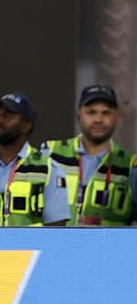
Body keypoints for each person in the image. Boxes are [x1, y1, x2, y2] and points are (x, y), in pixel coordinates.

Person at [0, 93, 69, 226]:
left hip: (30, 247)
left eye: (6, 115)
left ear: (27, 126)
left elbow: (57, 232)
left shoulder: (48, 169)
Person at [45, 85, 136, 226]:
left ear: (117, 117)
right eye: (91, 112)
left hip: (107, 248)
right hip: (57, 247)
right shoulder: (51, 153)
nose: (99, 119)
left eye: (106, 113)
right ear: (79, 114)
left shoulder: (130, 166)